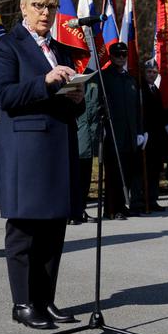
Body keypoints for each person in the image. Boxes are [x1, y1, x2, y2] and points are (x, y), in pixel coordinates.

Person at [0, 0, 84, 329]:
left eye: (51, 7)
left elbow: (69, 105)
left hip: (58, 147)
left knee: (53, 230)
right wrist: (45, 82)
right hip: (25, 152)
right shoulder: (6, 46)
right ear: (24, 8)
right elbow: (4, 96)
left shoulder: (60, 49)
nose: (45, 13)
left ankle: (46, 299)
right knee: (25, 230)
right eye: (38, 6)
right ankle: (23, 303)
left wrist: (76, 98)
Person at [101, 42, 146, 219]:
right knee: (113, 173)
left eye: (123, 55)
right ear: (111, 56)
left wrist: (140, 131)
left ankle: (123, 205)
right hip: (112, 133)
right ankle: (112, 208)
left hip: (130, 133)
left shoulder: (130, 79)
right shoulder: (105, 77)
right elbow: (100, 105)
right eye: (117, 55)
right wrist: (102, 128)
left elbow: (137, 108)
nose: (121, 58)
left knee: (127, 171)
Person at [140, 58, 168, 212]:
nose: (151, 75)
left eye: (154, 72)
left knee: (155, 171)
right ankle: (143, 200)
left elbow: (160, 112)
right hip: (146, 135)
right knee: (145, 170)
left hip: (156, 137)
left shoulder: (155, 89)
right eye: (149, 72)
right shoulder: (141, 88)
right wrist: (142, 131)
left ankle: (153, 199)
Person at [72, 67, 100, 224]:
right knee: (74, 176)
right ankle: (71, 212)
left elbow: (97, 105)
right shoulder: (69, 71)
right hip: (75, 133)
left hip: (90, 134)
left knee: (85, 175)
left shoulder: (93, 75)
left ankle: (80, 210)